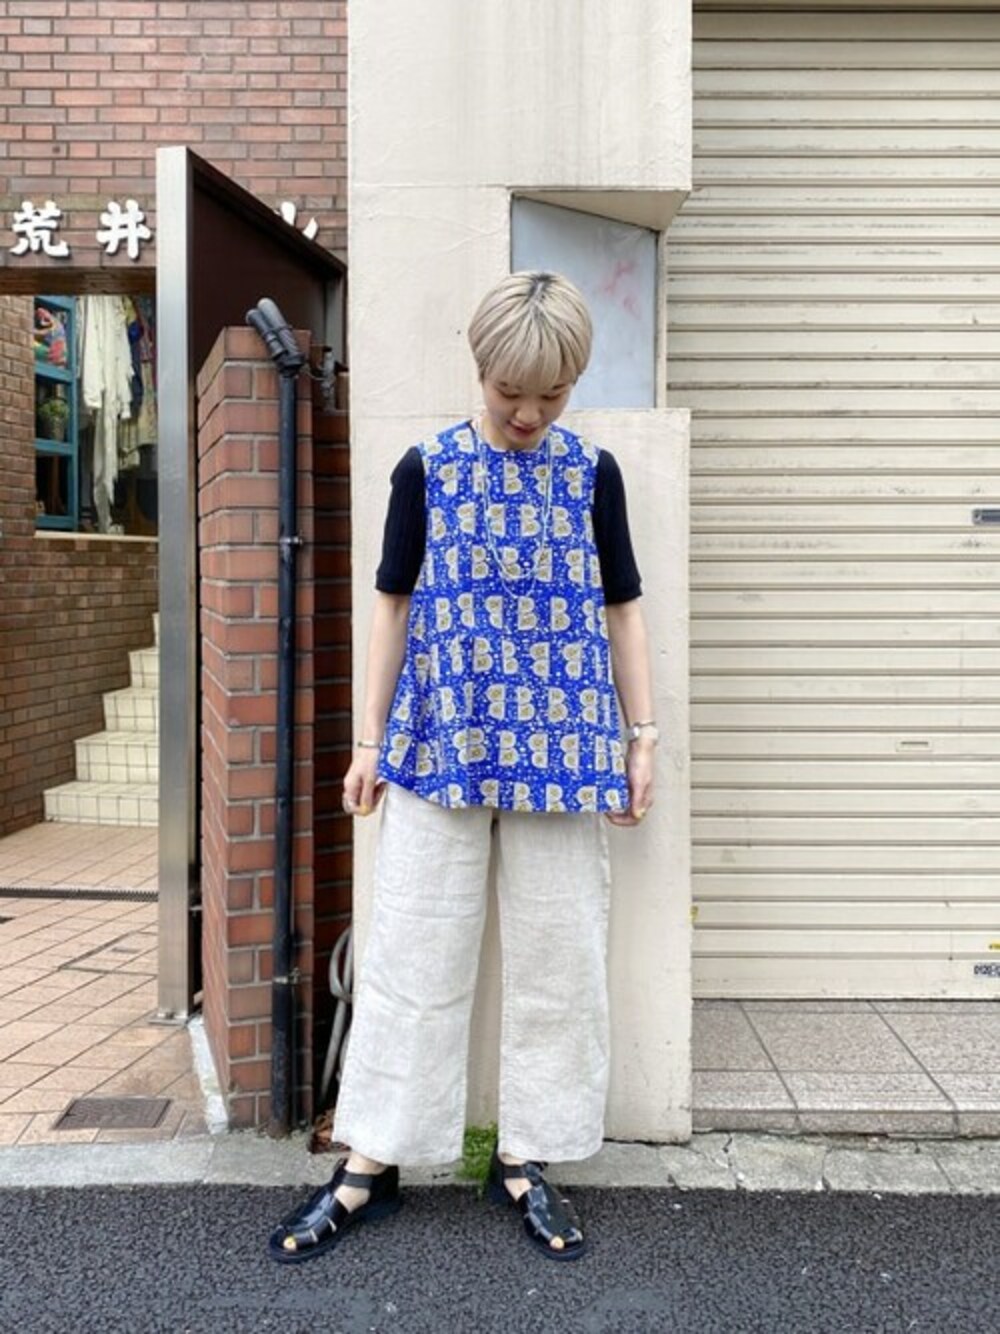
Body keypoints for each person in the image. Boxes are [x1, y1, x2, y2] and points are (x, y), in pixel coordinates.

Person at [269, 270, 657, 1265]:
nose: (529, 414)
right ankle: (371, 1159)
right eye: (509, 393)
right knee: (413, 947)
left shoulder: (593, 474)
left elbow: (622, 606)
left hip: (563, 749)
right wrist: (368, 743)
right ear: (478, 369)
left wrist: (642, 735)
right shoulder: (427, 469)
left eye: (552, 395)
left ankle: (525, 1156)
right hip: (440, 740)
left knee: (558, 955)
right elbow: (392, 603)